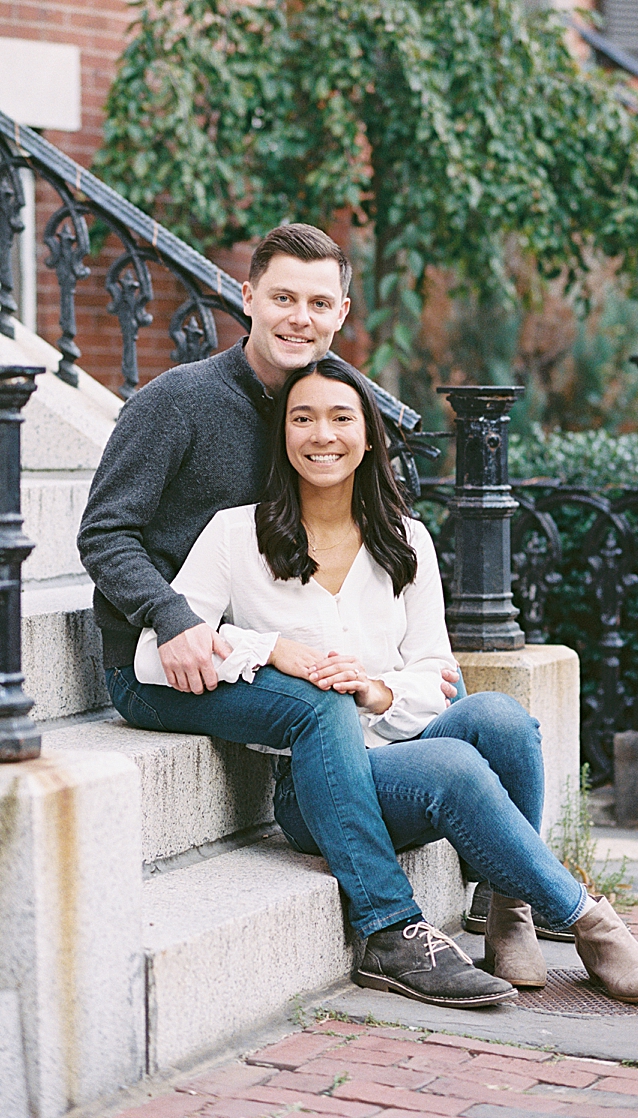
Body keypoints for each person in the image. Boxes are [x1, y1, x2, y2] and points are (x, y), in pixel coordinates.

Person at [134, 355, 638, 1005]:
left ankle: (508, 912)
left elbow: (438, 674)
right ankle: (591, 922)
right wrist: (271, 650)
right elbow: (150, 656)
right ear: (282, 435)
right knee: (450, 762)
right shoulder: (234, 535)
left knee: (500, 717)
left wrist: (378, 689)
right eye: (302, 418)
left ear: (369, 437)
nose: (321, 434)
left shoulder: (406, 540)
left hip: (400, 739)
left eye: (341, 417)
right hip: (313, 788)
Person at [78, 224, 499, 1006]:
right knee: (319, 707)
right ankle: (385, 927)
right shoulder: (177, 401)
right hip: (160, 660)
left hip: (260, 651)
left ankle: (500, 879)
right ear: (247, 298)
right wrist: (170, 615)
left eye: (316, 302)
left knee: (477, 717)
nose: (297, 317)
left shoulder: (322, 410)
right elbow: (104, 532)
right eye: (281, 298)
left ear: (340, 313)